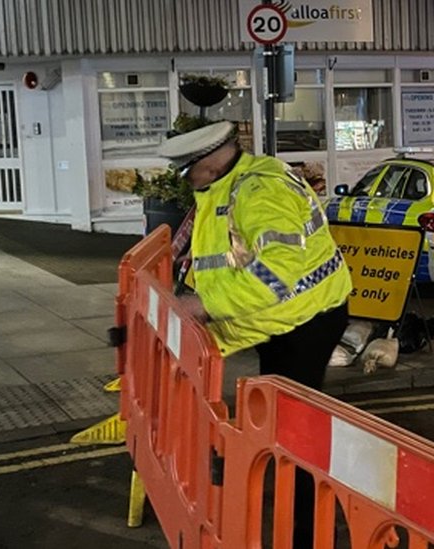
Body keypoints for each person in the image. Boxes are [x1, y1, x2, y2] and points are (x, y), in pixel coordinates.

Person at [158, 121, 352, 547]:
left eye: (186, 170)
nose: (185, 179)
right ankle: (289, 499)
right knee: (280, 423)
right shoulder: (229, 183)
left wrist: (204, 306)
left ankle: (306, 532)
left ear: (208, 165)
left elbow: (278, 272)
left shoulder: (259, 193)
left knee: (295, 432)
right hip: (281, 318)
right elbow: (219, 249)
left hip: (305, 320)